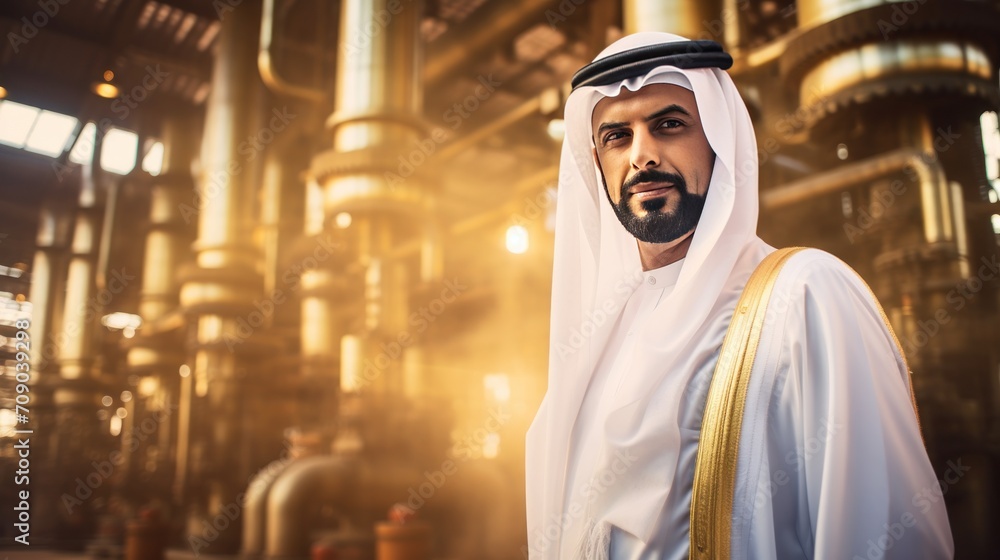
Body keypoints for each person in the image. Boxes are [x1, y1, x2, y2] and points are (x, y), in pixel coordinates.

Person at [524, 32, 953, 559]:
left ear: (719, 140)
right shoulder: (599, 336)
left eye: (669, 125)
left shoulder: (805, 296)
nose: (642, 156)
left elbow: (884, 541)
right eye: (616, 136)